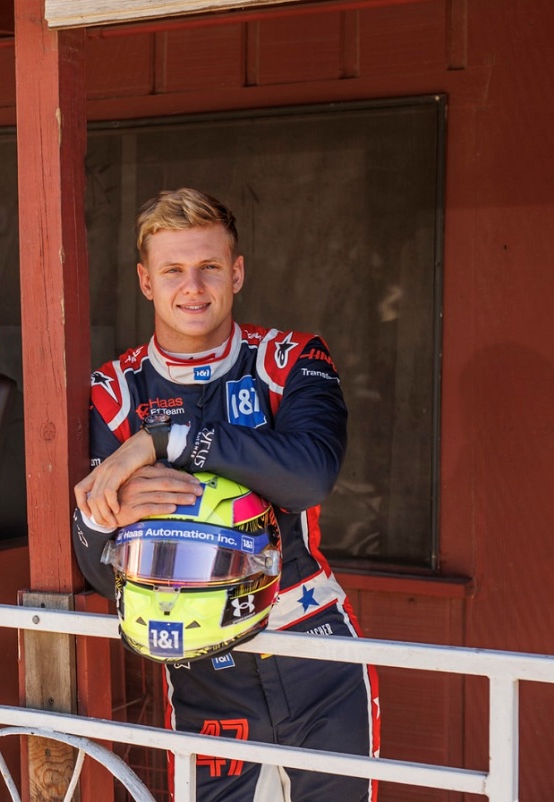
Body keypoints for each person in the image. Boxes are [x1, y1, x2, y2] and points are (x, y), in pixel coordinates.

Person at [73, 188, 380, 801]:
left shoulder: (290, 359)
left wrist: (164, 441)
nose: (193, 287)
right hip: (196, 661)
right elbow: (93, 567)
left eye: (210, 267)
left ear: (236, 272)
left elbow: (311, 475)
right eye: (173, 271)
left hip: (310, 640)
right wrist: (104, 524)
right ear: (145, 281)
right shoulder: (113, 388)